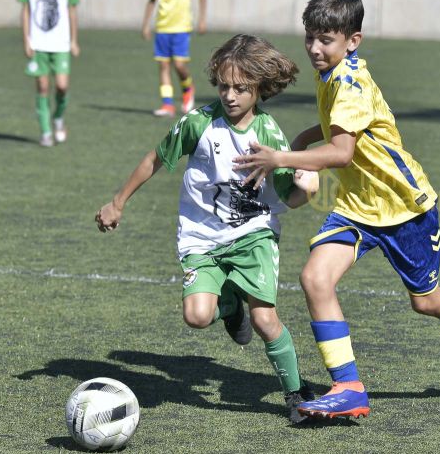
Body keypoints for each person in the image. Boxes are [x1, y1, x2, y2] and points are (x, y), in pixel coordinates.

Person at [232, 0, 440, 419]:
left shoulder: (350, 82)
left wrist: (283, 156)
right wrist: (301, 142)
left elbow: (341, 152)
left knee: (426, 300)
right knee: (315, 279)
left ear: (352, 41)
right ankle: (349, 386)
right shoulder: (331, 74)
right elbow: (338, 130)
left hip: (404, 209)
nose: (315, 48)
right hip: (358, 207)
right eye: (310, 37)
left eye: (326, 39)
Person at [95, 34, 318, 422]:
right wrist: (118, 202)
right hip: (202, 236)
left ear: (260, 88)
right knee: (197, 316)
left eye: (241, 88)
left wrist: (307, 188)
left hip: (253, 234)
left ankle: (296, 394)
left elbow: (288, 196)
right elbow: (154, 158)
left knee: (265, 320)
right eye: (224, 86)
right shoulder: (199, 122)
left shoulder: (268, 135)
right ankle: (229, 305)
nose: (230, 95)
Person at [18, 0, 80, 147]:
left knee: (62, 86)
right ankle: (45, 131)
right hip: (38, 44)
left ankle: (58, 118)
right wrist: (26, 40)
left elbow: (72, 10)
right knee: (43, 87)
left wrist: (74, 40)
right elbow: (25, 11)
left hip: (61, 44)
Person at [141, 0, 207, 117]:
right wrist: (146, 25)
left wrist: (202, 20)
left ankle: (188, 89)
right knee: (163, 66)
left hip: (181, 27)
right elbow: (152, 0)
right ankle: (168, 105)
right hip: (162, 27)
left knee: (179, 65)